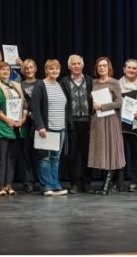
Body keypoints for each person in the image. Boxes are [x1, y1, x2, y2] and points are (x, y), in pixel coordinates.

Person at [0, 61, 27, 196]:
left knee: (11, 158)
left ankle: (8, 185)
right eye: (3, 70)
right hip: (0, 125)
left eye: (8, 70)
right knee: (1, 158)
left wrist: (22, 119)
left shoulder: (16, 85)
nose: (6, 72)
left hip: (15, 126)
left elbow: (24, 105)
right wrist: (7, 119)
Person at [30, 59, 68, 196]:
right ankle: (46, 186)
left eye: (57, 68)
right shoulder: (40, 85)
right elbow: (34, 107)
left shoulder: (60, 85)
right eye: (51, 69)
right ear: (46, 70)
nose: (54, 71)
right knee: (45, 158)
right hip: (47, 128)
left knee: (55, 158)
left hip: (60, 128)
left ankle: (55, 184)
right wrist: (40, 126)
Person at [88, 57, 124, 194]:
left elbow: (119, 103)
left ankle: (106, 186)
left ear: (109, 68)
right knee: (101, 151)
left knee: (110, 150)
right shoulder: (93, 82)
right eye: (99, 66)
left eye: (104, 65)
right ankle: (105, 184)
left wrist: (102, 106)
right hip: (97, 121)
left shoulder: (114, 82)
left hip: (110, 120)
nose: (102, 68)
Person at [60, 54, 93, 193]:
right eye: (73, 64)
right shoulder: (64, 82)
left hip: (88, 122)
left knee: (87, 155)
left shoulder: (90, 80)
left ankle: (86, 183)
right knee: (72, 155)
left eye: (79, 63)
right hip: (72, 122)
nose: (76, 66)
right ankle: (74, 184)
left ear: (82, 65)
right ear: (69, 66)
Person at [117, 58, 137, 191]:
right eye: (129, 67)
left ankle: (134, 181)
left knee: (135, 154)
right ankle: (118, 182)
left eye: (134, 68)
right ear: (124, 69)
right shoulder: (116, 84)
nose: (131, 70)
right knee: (119, 154)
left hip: (135, 125)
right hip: (119, 124)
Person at [17, 58, 40, 192]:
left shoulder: (42, 83)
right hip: (25, 123)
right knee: (26, 152)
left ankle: (41, 180)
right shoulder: (19, 85)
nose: (29, 70)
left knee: (40, 153)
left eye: (31, 67)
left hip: (39, 123)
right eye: (26, 68)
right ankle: (28, 181)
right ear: (23, 70)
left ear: (35, 69)